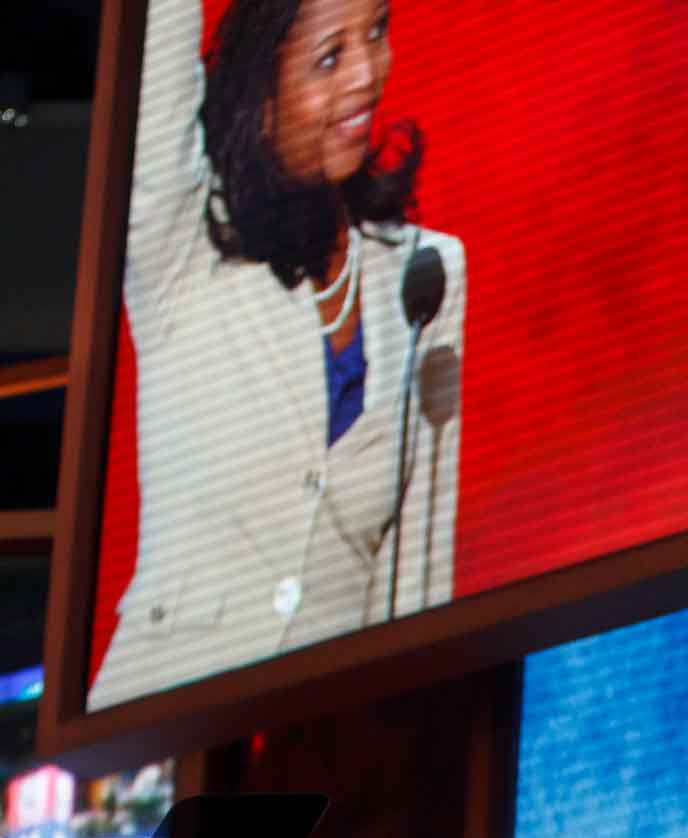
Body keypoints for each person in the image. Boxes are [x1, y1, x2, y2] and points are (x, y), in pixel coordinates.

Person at [89, 0, 466, 710]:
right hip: (164, 729)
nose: (367, 76)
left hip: (324, 750)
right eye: (330, 58)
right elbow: (156, 57)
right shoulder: (182, 247)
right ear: (262, 93)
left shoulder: (427, 271)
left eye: (377, 32)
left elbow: (419, 572)